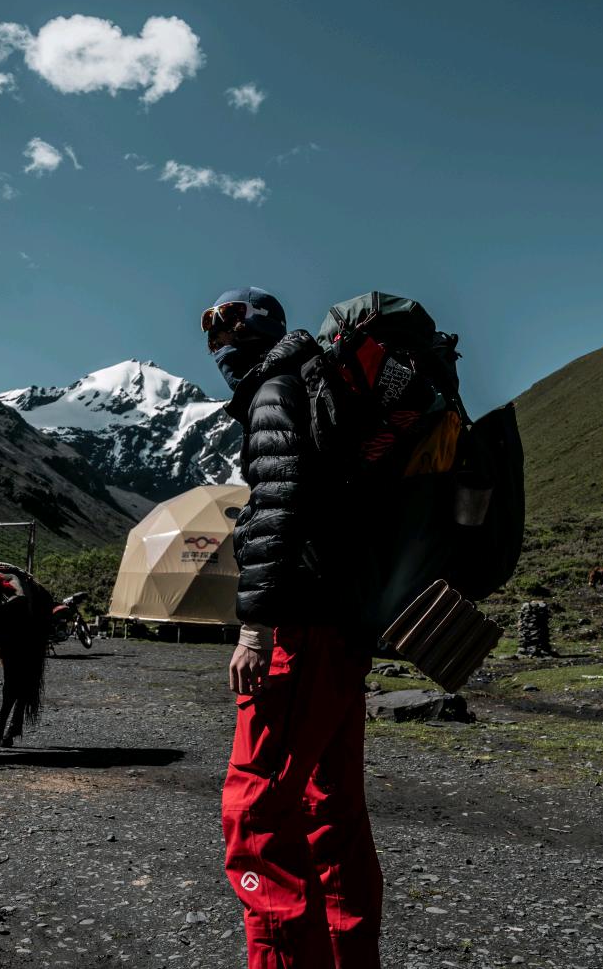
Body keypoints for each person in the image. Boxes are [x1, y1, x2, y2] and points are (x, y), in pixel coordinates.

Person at [202, 287, 383, 969]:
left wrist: (257, 629)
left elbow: (278, 505)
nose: (215, 335)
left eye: (223, 320)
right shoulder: (319, 384)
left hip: (301, 629)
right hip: (343, 629)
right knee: (332, 813)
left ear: (254, 328)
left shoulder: (276, 389)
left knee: (257, 815)